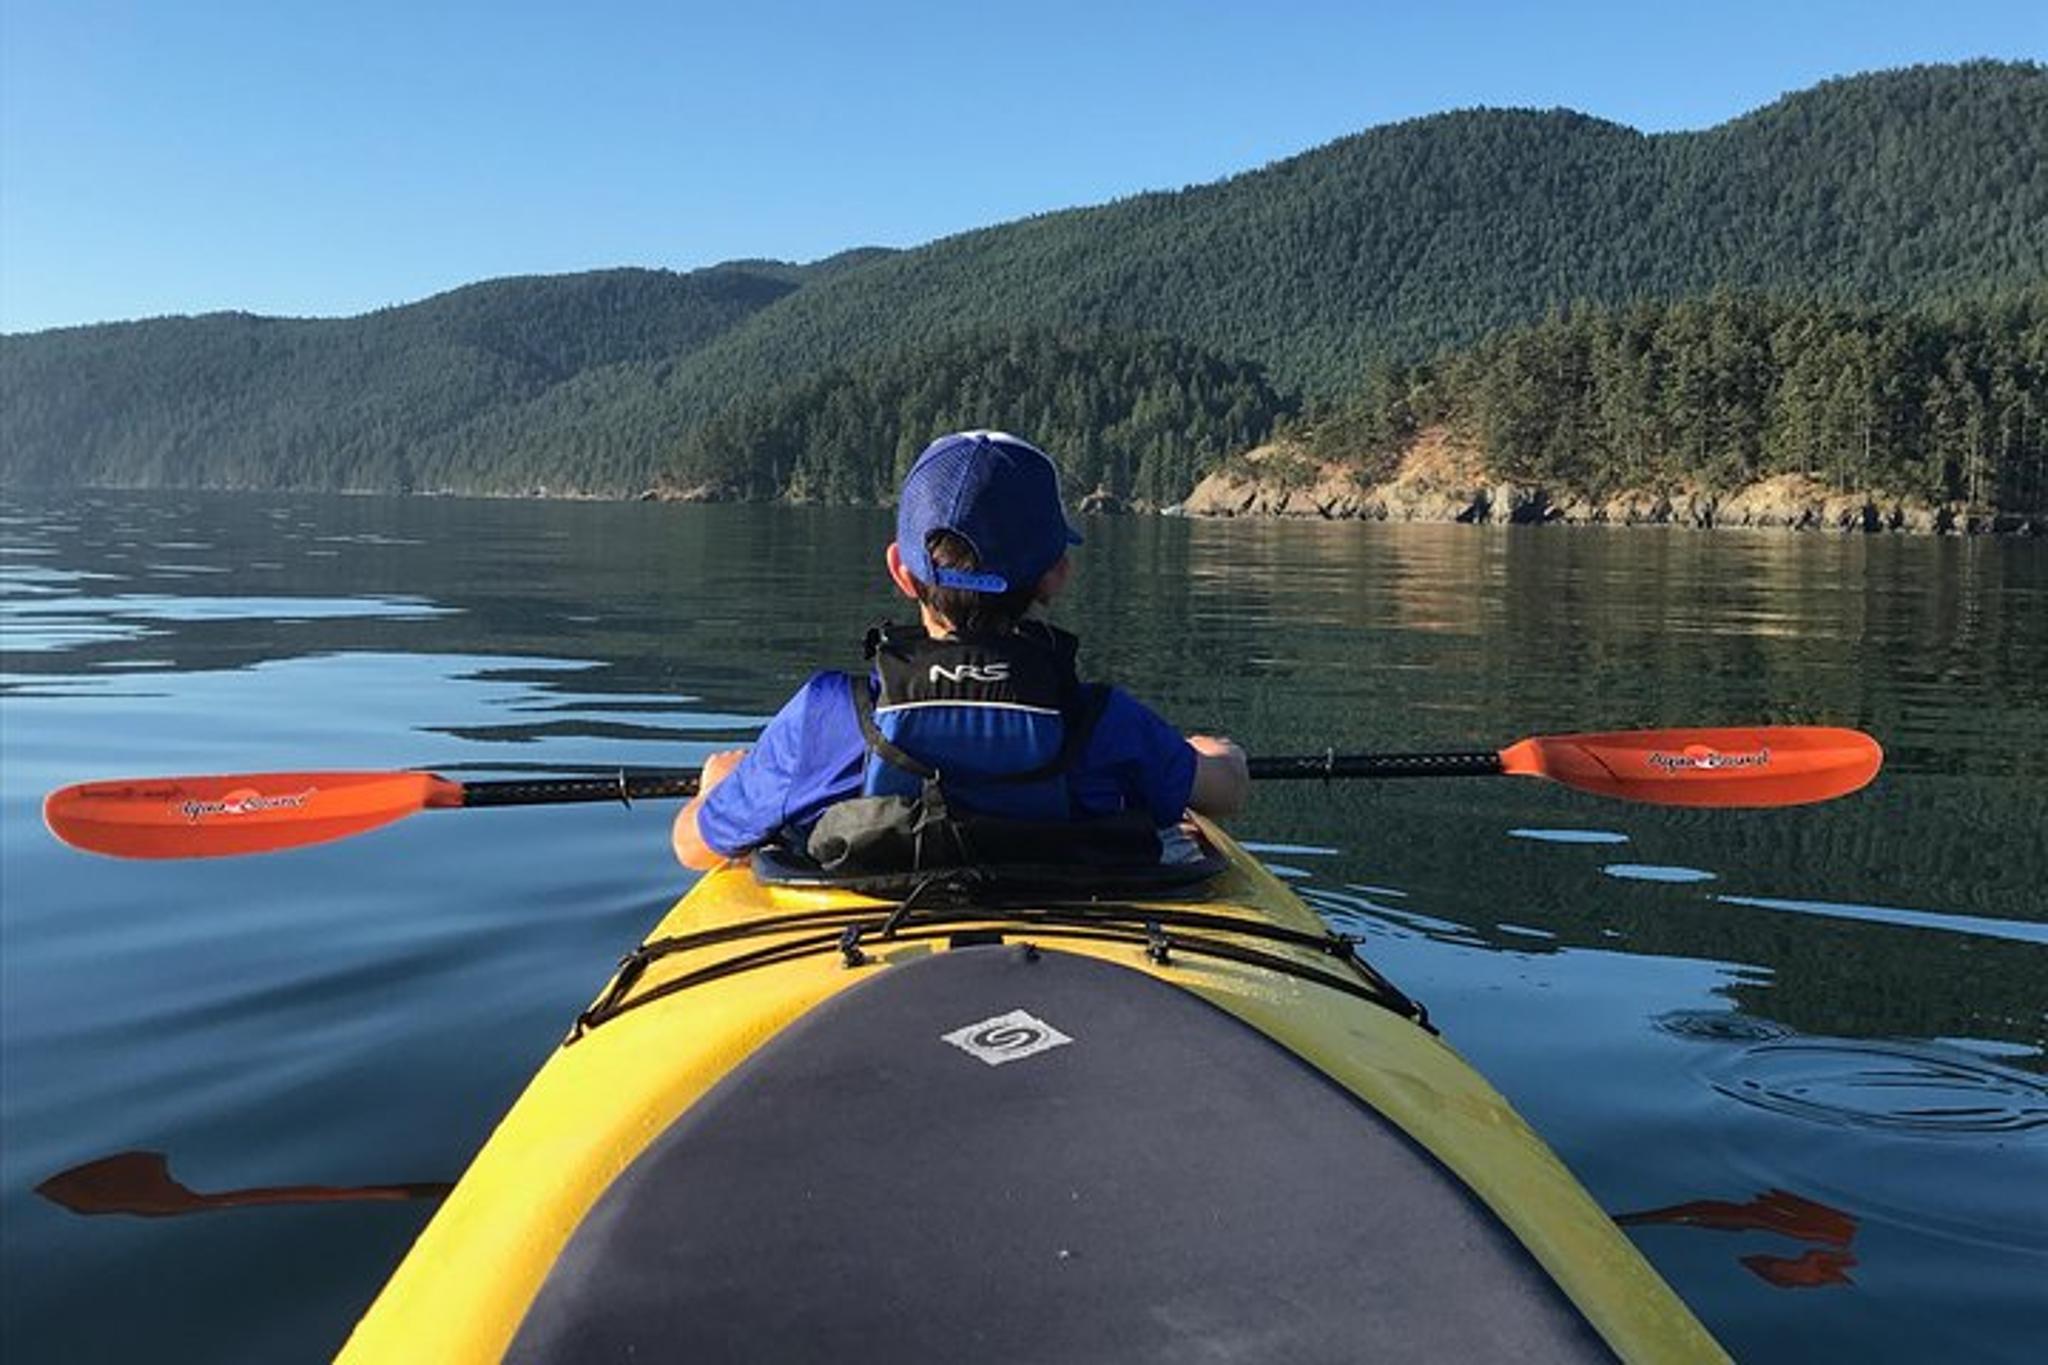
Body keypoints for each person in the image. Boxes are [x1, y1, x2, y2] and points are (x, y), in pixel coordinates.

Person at [671, 430, 1249, 872]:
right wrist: (1209, 751)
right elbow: (1227, 789)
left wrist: (718, 783)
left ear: (900, 569)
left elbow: (692, 846)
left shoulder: (825, 717)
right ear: (1056, 575)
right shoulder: (1105, 723)